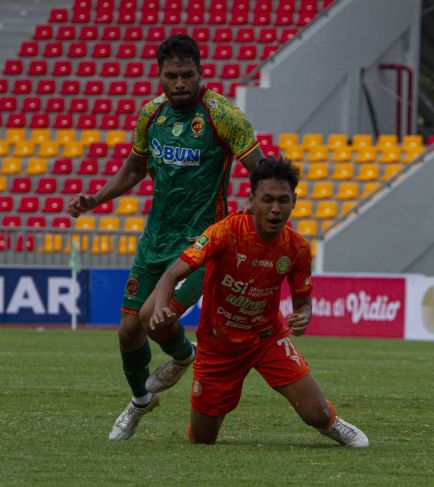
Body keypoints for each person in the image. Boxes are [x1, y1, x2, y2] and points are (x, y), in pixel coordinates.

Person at [66, 34, 265, 440]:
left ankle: (181, 355)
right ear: (159, 75)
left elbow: (260, 171)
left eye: (186, 75)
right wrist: (95, 199)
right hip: (155, 240)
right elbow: (135, 169)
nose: (179, 83)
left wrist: (254, 215)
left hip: (201, 242)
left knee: (151, 319)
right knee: (127, 331)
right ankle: (141, 400)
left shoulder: (223, 115)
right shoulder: (151, 115)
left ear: (200, 73)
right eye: (171, 76)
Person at [150, 157, 369, 447]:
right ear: (252, 199)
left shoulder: (297, 248)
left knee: (316, 413)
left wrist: (304, 315)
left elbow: (304, 302)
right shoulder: (224, 232)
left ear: (294, 201)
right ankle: (213, 405)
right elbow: (172, 274)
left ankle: (332, 423)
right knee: (203, 440)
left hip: (266, 339)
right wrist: (160, 307)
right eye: (267, 199)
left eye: (283, 200)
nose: (276, 209)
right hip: (218, 346)